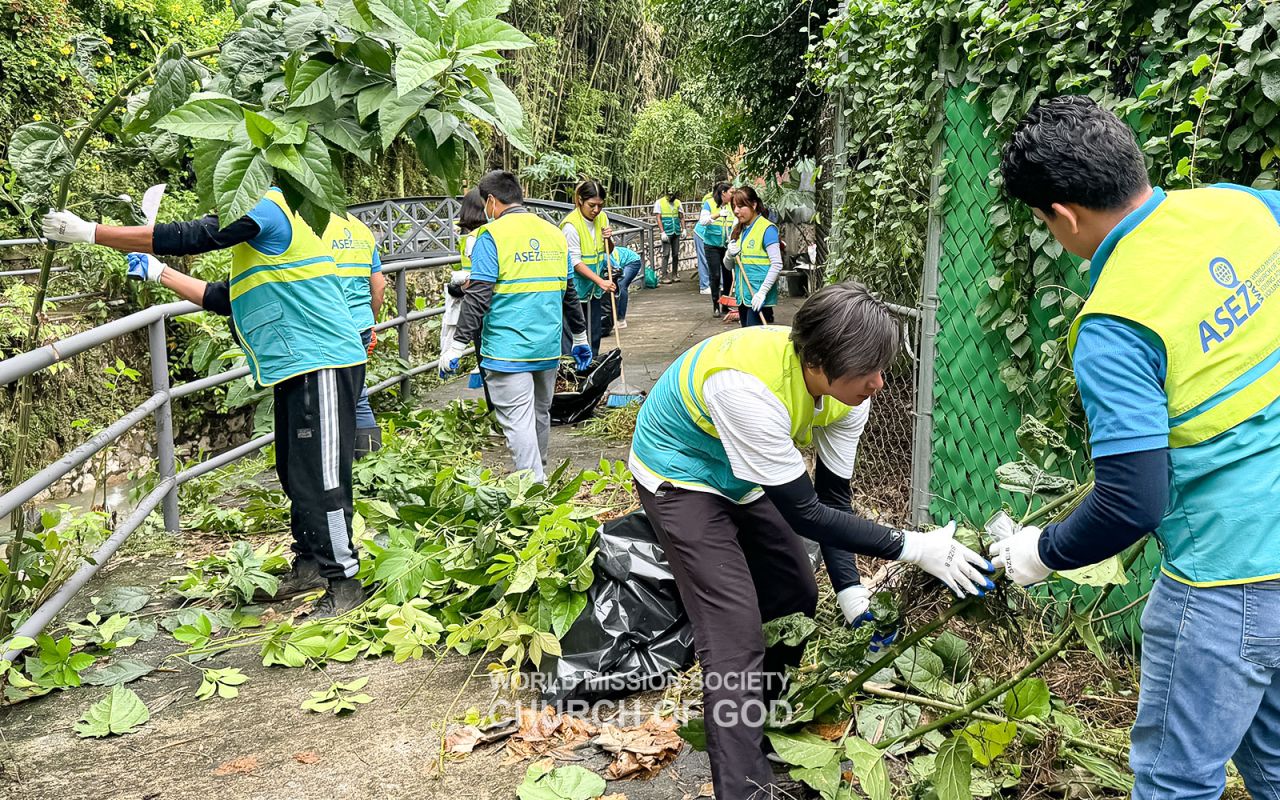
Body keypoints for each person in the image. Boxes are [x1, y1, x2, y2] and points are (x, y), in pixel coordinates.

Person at [994, 95, 1280, 800]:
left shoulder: (1115, 323)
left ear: (1062, 216)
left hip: (1228, 577)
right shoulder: (1243, 207)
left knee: (1175, 782)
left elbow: (1132, 501)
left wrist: (1039, 553)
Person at [628, 283, 994, 800]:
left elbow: (832, 499)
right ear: (817, 363)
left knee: (796, 593)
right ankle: (744, 787)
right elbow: (805, 513)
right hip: (680, 473)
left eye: (882, 368)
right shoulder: (746, 388)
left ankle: (763, 724)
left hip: (744, 472)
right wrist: (915, 547)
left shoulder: (851, 395)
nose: (879, 383)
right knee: (733, 635)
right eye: (868, 372)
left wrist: (851, 593)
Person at [42, 190, 369, 617]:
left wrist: (91, 233)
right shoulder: (262, 243)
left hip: (321, 361)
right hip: (295, 366)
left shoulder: (269, 203)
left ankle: (344, 582)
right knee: (296, 475)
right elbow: (223, 299)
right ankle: (309, 564)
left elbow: (195, 235)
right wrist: (161, 273)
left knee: (322, 481)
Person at [439, 170, 592, 483]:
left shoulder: (491, 236)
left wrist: (456, 345)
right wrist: (579, 337)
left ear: (491, 202)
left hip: (507, 350)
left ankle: (532, 488)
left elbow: (479, 295)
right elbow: (569, 292)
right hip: (547, 347)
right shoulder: (554, 233)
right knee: (539, 415)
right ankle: (539, 477)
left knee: (518, 421)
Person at [324, 211, 385, 457]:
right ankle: (370, 459)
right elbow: (379, 286)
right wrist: (371, 322)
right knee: (358, 396)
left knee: (326, 399)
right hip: (360, 325)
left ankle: (335, 460)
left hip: (329, 326)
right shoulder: (361, 228)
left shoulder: (312, 225)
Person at [562, 179, 616, 353]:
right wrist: (601, 281)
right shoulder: (571, 226)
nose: (596, 210)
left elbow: (608, 250)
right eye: (592, 205)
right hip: (575, 293)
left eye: (600, 205)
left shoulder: (602, 218)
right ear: (580, 200)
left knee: (594, 336)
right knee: (576, 339)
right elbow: (575, 262)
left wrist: (609, 239)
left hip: (594, 291)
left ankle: (593, 367)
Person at [726, 186, 781, 327]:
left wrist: (762, 292)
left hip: (759, 298)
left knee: (757, 338)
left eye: (740, 206)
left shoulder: (767, 229)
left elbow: (777, 264)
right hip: (743, 297)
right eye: (734, 207)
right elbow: (728, 266)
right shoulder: (738, 230)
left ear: (754, 205)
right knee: (746, 336)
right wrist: (729, 255)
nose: (736, 211)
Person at [695, 182, 734, 316]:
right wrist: (718, 214)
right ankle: (715, 305)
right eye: (731, 192)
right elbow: (703, 221)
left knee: (728, 276)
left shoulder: (732, 205)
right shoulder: (709, 203)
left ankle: (725, 305)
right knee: (715, 275)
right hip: (712, 245)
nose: (733, 195)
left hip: (727, 246)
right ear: (723, 193)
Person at [607, 244, 644, 330]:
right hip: (621, 262)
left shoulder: (607, 256)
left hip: (632, 261)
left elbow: (617, 269)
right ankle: (613, 317)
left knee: (621, 285)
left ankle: (621, 319)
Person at [653, 189, 682, 283]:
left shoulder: (678, 202)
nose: (671, 197)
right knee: (666, 254)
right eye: (669, 195)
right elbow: (658, 218)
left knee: (676, 254)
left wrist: (684, 229)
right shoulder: (659, 202)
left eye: (672, 195)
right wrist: (662, 232)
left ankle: (674, 274)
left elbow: (681, 216)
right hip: (666, 231)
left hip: (676, 231)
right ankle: (664, 276)